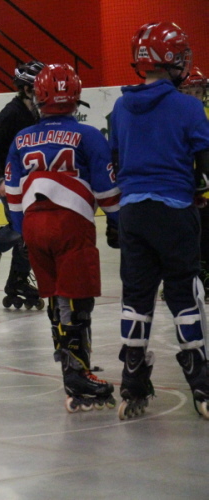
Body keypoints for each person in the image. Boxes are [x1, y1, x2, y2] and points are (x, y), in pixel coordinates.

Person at [6, 63, 121, 413]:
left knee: (57, 297)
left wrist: (23, 231)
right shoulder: (88, 135)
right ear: (76, 95)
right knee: (77, 299)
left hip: (33, 223)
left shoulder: (21, 138)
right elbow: (107, 190)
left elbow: (13, 196)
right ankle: (77, 374)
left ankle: (72, 365)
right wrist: (119, 222)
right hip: (71, 222)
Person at [110, 22, 209, 420]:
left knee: (137, 295)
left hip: (133, 212)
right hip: (174, 210)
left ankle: (132, 376)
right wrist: (199, 189)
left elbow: (116, 161)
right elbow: (204, 167)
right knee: (184, 293)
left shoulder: (120, 107)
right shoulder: (188, 106)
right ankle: (200, 379)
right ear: (170, 60)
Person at [0, 60, 45, 310]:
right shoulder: (12, 113)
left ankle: (15, 279)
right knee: (23, 229)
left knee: (27, 232)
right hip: (10, 180)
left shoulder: (37, 111)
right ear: (26, 89)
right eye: (40, 88)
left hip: (29, 180)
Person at [179, 67, 209, 298]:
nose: (195, 97)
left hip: (204, 187)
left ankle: (204, 274)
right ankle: (183, 277)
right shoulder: (175, 116)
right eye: (190, 92)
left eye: (198, 92)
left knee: (205, 231)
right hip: (183, 187)